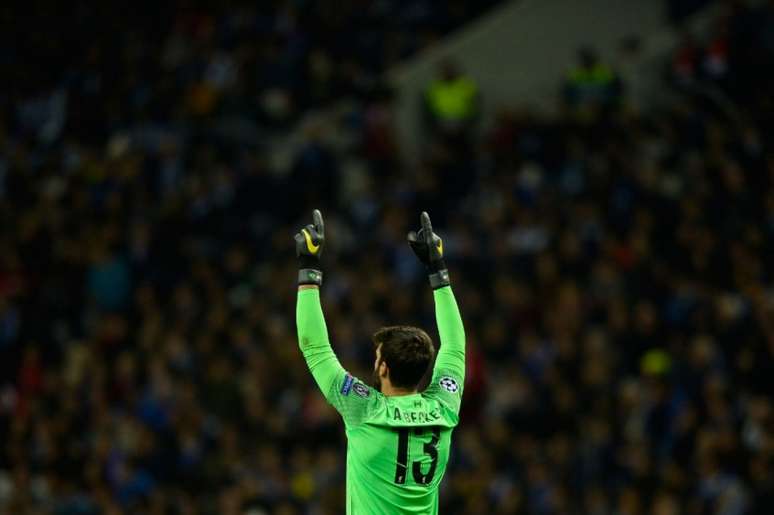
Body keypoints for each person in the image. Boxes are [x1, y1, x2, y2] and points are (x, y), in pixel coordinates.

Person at [295, 210, 465, 514]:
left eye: (377, 358)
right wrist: (438, 270)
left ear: (383, 367)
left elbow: (316, 348)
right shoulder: (444, 408)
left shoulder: (365, 410)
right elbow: (454, 345)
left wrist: (309, 268)